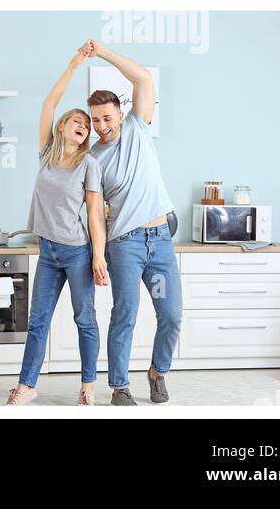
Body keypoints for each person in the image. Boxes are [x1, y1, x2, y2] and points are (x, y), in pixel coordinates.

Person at [7, 44, 106, 407]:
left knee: (85, 320)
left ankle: (88, 386)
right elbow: (48, 103)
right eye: (76, 121)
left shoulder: (89, 164)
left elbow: (95, 214)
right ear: (63, 125)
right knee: (38, 322)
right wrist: (73, 65)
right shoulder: (46, 154)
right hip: (48, 250)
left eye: (87, 125)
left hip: (77, 252)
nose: (83, 126)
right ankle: (27, 385)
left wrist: (98, 257)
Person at [85, 40, 181, 407]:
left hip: (159, 241)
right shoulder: (93, 158)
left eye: (107, 118)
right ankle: (120, 387)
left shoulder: (140, 127)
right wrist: (98, 253)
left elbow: (141, 77)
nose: (102, 126)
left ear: (120, 114)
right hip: (124, 244)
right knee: (124, 314)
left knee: (170, 314)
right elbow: (94, 211)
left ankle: (157, 373)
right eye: (95, 120)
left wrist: (103, 52)